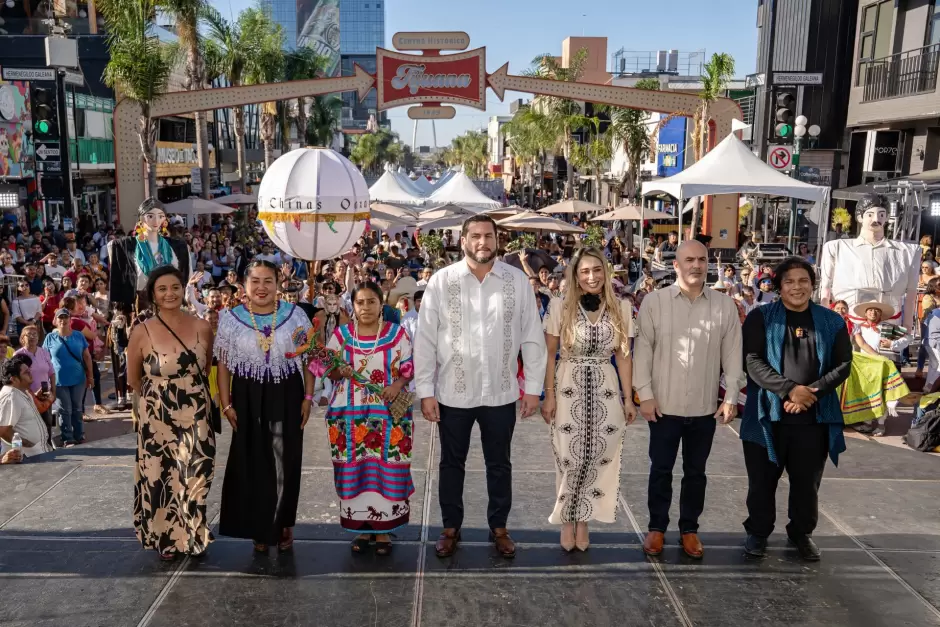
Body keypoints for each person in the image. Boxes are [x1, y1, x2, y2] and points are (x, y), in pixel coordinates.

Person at [414, 215, 547, 559]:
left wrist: (533, 388)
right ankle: (450, 527)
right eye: (475, 236)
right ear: (463, 241)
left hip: (501, 392)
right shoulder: (442, 282)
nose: (482, 242)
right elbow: (425, 340)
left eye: (488, 235)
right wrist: (425, 391)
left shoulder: (516, 281)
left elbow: (532, 336)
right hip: (452, 393)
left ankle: (499, 527)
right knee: (450, 464)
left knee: (499, 463)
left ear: (497, 240)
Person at [634, 239, 745, 559]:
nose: (696, 265)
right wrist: (645, 395)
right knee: (661, 470)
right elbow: (643, 352)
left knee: (696, 472)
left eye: (702, 259)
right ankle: (656, 527)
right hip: (663, 406)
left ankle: (689, 529)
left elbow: (733, 355)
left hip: (704, 407)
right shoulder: (654, 302)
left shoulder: (724, 306)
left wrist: (732, 397)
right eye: (689, 260)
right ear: (676, 265)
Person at [740, 257, 853, 561]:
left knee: (807, 483)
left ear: (812, 285)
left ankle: (801, 534)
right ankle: (758, 532)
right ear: (778, 286)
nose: (797, 287)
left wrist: (810, 392)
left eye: (803, 280)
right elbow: (752, 362)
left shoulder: (831, 321)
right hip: (767, 416)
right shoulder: (761, 318)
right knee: (761, 480)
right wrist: (790, 390)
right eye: (789, 281)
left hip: (814, 417)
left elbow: (843, 364)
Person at [215, 260, 314, 553]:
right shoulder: (231, 319)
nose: (261, 287)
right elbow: (223, 363)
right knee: (252, 461)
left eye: (268, 281)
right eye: (255, 281)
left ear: (278, 284)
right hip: (246, 395)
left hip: (287, 392)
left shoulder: (294, 316)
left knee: (286, 460)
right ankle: (258, 527)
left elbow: (308, 359)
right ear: (244, 286)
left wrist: (308, 398)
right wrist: (225, 403)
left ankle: (283, 523)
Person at [540, 247, 635, 551]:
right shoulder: (560, 306)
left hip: (605, 388)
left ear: (606, 272)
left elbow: (623, 358)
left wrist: (628, 398)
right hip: (569, 385)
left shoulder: (622, 307)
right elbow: (549, 354)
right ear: (576, 276)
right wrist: (549, 396)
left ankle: (584, 520)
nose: (592, 276)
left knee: (598, 455)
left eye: (597, 270)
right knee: (569, 456)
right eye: (585, 271)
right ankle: (568, 520)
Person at [127, 265, 216, 560]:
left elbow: (206, 367)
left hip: (196, 408)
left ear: (184, 289)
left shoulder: (203, 326)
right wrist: (155, 400)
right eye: (162, 289)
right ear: (153, 293)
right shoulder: (141, 330)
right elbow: (133, 378)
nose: (170, 294)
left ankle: (193, 533)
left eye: (175, 287)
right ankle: (166, 537)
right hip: (157, 413)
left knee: (195, 471)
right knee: (161, 473)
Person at [323, 281, 415, 555]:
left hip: (388, 416)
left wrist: (396, 386)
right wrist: (342, 371)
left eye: (371, 302)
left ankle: (384, 530)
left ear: (381, 304)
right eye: (360, 302)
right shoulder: (341, 336)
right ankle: (362, 528)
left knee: (385, 468)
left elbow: (409, 367)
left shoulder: (396, 334)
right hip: (348, 417)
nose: (366, 307)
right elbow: (327, 369)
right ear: (353, 306)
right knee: (357, 468)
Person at [42, 307, 92, 447]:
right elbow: (45, 359)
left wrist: (91, 376)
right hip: (58, 380)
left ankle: (79, 435)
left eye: (65, 317)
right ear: (56, 321)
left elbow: (87, 356)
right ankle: (67, 438)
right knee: (65, 409)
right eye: (60, 318)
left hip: (78, 379)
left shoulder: (78, 335)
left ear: (70, 320)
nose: (63, 320)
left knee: (77, 408)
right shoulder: (50, 337)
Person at [0, 354, 54, 460]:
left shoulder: (22, 391)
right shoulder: (10, 396)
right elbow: (3, 430)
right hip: (27, 461)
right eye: (26, 372)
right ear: (14, 379)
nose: (31, 373)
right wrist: (26, 444)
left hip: (38, 455)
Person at [14, 325, 55, 441]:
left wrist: (54, 391)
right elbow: (17, 378)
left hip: (45, 394)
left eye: (35, 334)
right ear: (22, 338)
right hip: (28, 396)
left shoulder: (44, 352)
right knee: (31, 424)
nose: (32, 337)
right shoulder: (18, 355)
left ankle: (47, 446)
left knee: (47, 422)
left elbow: (52, 373)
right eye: (29, 335)